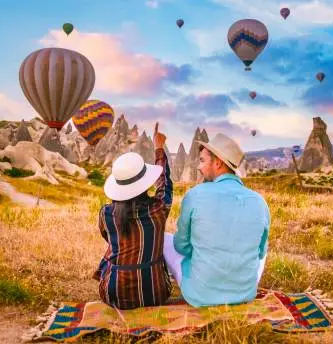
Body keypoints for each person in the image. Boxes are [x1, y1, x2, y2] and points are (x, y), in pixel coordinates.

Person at [163, 133, 270, 307]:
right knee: (262, 247)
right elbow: (260, 253)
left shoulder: (195, 195)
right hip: (245, 294)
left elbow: (181, 246)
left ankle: (159, 284)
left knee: (164, 239)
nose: (199, 167)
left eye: (203, 161)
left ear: (218, 162)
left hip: (200, 296)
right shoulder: (260, 201)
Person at [93, 123, 173, 309]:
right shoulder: (159, 209)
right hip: (155, 294)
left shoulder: (106, 213)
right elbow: (165, 184)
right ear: (145, 183)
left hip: (114, 296)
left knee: (115, 246)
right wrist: (159, 148)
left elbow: (108, 238)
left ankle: (103, 274)